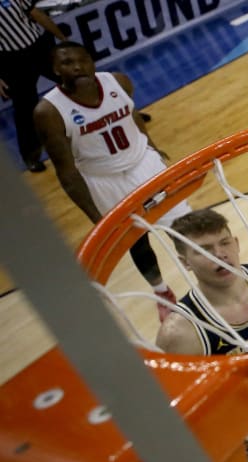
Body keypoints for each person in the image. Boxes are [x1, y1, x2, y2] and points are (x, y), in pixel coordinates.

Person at [33, 41, 187, 320]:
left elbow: (132, 115)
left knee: (185, 227)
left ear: (93, 61)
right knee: (137, 243)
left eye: (82, 60)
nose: (77, 67)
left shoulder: (118, 81)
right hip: (104, 180)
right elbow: (66, 172)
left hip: (144, 164)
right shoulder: (49, 112)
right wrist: (95, 216)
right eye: (67, 63)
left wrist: (151, 146)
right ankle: (162, 292)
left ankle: (204, 276)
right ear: (55, 69)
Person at [156, 208, 248, 355]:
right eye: (204, 250)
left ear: (237, 244)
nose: (219, 254)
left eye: (225, 243)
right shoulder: (178, 332)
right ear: (185, 263)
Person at [0, 0, 64, 172]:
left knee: (74, 80)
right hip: (11, 60)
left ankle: (120, 113)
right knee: (25, 110)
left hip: (39, 47)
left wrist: (63, 39)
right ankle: (31, 156)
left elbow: (36, 13)